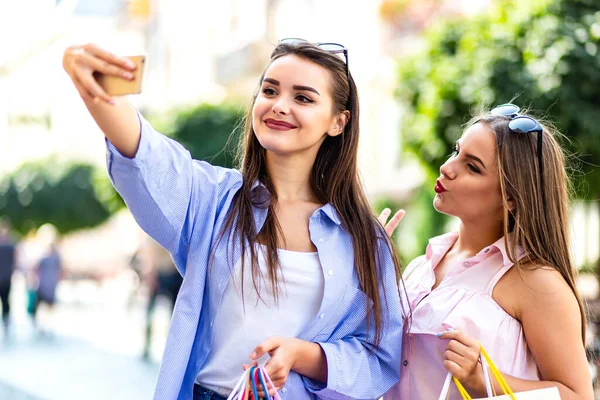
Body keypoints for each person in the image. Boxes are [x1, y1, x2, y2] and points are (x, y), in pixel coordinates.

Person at [62, 39, 407, 399]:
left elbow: (381, 358)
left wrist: (306, 356)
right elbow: (146, 156)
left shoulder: (365, 240)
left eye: (303, 98)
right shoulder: (213, 199)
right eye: (270, 90)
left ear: (338, 122)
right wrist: (95, 87)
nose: (279, 106)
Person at [381, 104, 594, 399]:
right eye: (456, 152)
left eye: (472, 166)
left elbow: (578, 395)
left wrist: (484, 379)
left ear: (511, 198)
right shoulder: (423, 264)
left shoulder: (536, 281)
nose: (446, 167)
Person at [142, 237, 183, 361]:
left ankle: (169, 349)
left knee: (173, 317)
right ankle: (147, 345)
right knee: (152, 313)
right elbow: (149, 252)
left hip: (172, 274)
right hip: (160, 273)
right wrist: (151, 272)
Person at [0, 220, 16, 335]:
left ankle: (5, 320)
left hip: (6, 277)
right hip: (6, 276)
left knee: (5, 300)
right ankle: (5, 320)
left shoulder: (10, 246)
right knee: (5, 300)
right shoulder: (11, 245)